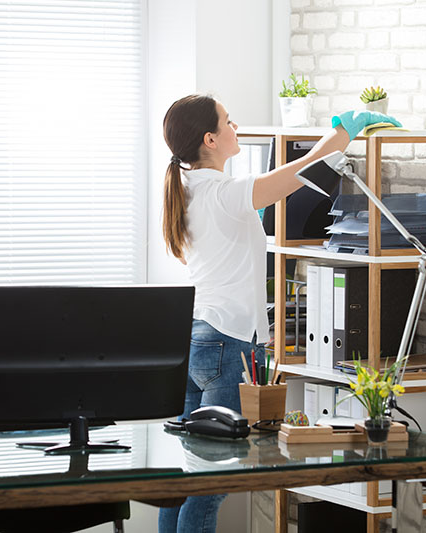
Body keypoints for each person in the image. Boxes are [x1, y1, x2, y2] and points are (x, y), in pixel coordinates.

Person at [158, 94, 401, 533]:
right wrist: (345, 130)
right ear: (210, 139)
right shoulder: (225, 193)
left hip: (195, 337)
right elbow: (301, 172)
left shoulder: (187, 187)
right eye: (228, 122)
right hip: (228, 341)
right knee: (212, 479)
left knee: (184, 473)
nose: (236, 127)